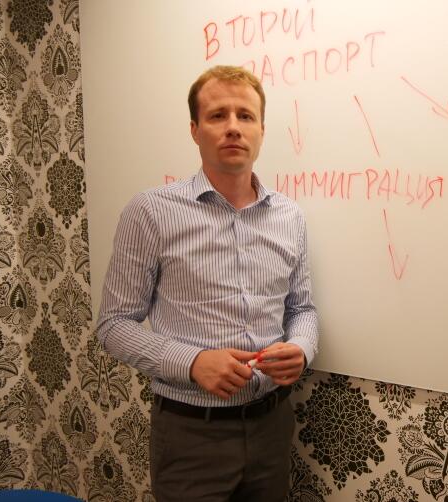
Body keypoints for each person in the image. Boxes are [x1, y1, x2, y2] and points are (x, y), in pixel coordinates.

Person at [95, 65, 319, 501]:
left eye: (245, 116)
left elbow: (302, 309)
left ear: (261, 130)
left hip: (272, 425)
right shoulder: (151, 212)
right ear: (195, 130)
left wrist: (302, 348)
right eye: (218, 115)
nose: (233, 127)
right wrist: (193, 362)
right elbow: (113, 324)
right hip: (192, 434)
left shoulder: (289, 216)